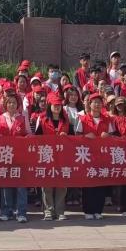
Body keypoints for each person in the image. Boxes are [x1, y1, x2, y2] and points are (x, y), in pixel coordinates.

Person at [0, 92, 31, 223]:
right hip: (5, 155)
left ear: (18, 104)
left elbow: (29, 133)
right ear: (5, 105)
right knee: (6, 184)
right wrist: (0, 139)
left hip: (20, 155)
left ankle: (21, 212)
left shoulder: (22, 118)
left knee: (21, 185)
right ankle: (6, 211)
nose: (12, 105)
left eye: (14, 102)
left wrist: (25, 138)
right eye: (9, 102)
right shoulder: (0, 118)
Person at [37, 92, 74, 220]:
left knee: (61, 184)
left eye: (59, 105)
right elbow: (37, 138)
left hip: (62, 156)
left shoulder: (66, 121)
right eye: (55, 105)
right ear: (50, 106)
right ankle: (48, 210)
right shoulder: (43, 121)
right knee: (47, 184)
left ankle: (60, 211)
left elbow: (74, 139)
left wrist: (66, 137)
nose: (57, 107)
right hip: (47, 156)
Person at [79, 93, 115, 219]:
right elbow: (75, 137)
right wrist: (85, 136)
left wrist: (108, 136)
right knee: (88, 185)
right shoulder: (82, 119)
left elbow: (114, 137)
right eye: (94, 102)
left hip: (102, 157)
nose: (97, 105)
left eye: (99, 103)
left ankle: (98, 210)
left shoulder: (107, 120)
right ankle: (88, 211)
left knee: (100, 184)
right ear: (90, 104)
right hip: (86, 156)